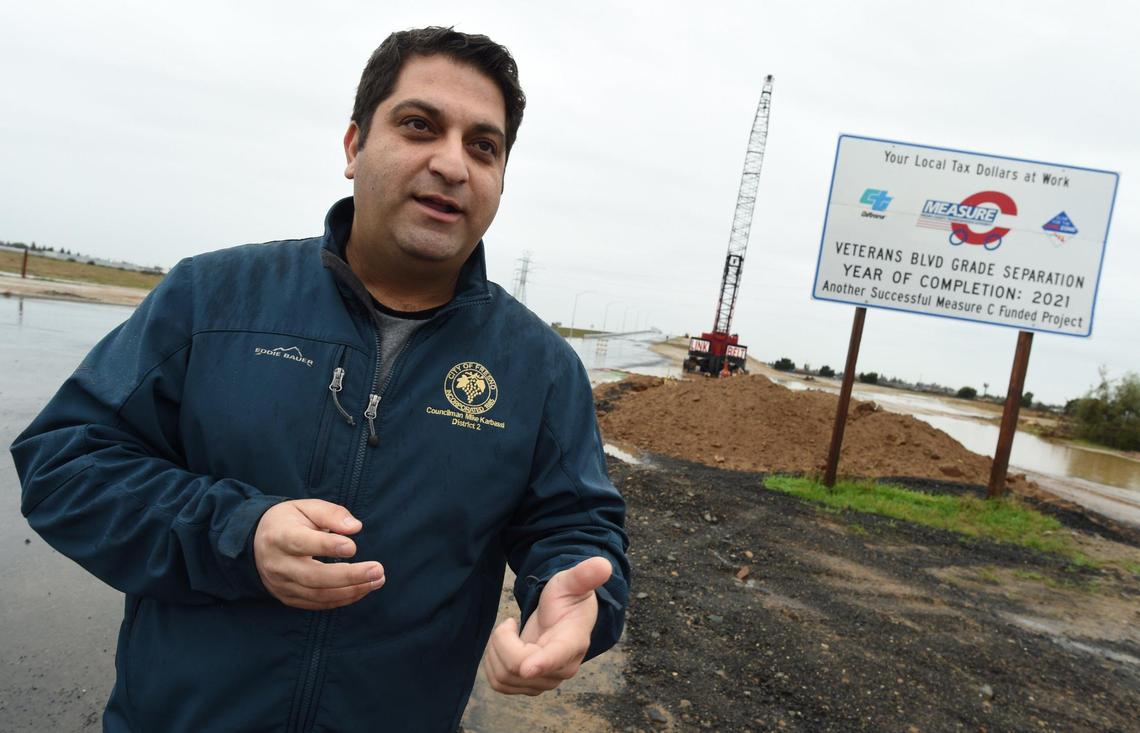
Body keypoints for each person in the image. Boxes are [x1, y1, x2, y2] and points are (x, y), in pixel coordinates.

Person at [11, 27, 629, 732]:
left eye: (483, 146)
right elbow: (64, 463)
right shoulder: (210, 300)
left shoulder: (541, 368)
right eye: (420, 125)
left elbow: (577, 526)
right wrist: (239, 533)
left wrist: (578, 602)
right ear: (353, 146)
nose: (453, 163)